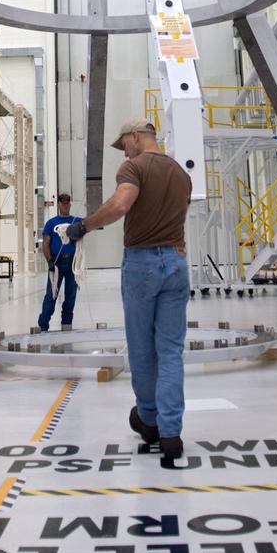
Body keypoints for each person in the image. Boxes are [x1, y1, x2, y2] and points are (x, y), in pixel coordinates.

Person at [68, 118, 191, 462]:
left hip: (142, 265)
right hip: (177, 262)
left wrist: (84, 226)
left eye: (123, 143)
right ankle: (171, 434)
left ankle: (149, 421)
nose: (123, 150)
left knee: (141, 349)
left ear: (135, 137)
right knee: (170, 351)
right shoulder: (180, 173)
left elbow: (121, 206)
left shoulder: (133, 168)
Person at [37, 193, 81, 332]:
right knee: (51, 295)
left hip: (73, 262)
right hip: (57, 262)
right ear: (59, 204)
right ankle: (43, 325)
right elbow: (46, 243)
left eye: (68, 202)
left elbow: (88, 226)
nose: (66, 205)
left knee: (71, 295)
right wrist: (49, 261)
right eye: (63, 202)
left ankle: (66, 324)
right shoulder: (51, 223)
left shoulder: (76, 221)